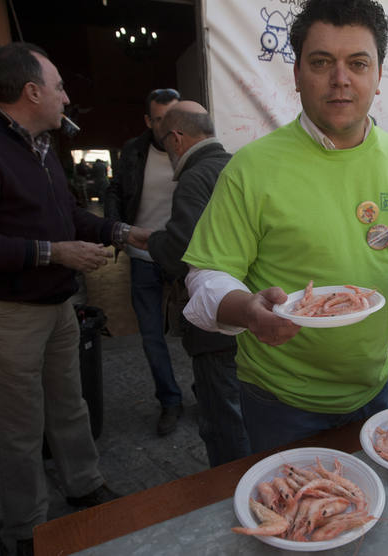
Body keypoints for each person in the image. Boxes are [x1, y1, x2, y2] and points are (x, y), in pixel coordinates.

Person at [179, 0, 388, 453]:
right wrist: (247, 310)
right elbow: (205, 276)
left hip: (375, 386)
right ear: (297, 74)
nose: (340, 79)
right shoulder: (251, 166)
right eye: (321, 62)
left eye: (358, 63)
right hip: (280, 400)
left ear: (378, 76)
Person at [0, 42, 151, 555]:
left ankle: (83, 484)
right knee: (17, 428)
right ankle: (27, 530)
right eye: (60, 87)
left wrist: (122, 231)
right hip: (3, 315)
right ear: (31, 91)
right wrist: (55, 254)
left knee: (69, 406)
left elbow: (68, 214)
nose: (66, 99)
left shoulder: (42, 147)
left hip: (56, 308)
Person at [146, 101, 251, 466]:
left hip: (216, 324)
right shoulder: (238, 165)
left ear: (176, 138)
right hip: (250, 313)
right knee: (246, 411)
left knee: (224, 421)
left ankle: (230, 496)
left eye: (164, 144)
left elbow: (181, 250)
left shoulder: (194, 178)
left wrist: (151, 239)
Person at [104, 88, 186, 436]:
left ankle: (206, 392)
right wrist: (117, 230)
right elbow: (113, 190)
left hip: (185, 258)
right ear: (147, 120)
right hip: (143, 255)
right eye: (158, 120)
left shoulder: (191, 149)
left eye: (172, 119)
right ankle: (170, 401)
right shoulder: (134, 151)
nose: (166, 128)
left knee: (202, 331)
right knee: (152, 336)